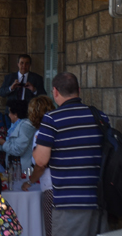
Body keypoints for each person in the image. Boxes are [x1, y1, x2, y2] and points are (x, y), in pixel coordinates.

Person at [34, 72, 110, 236]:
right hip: (99, 199)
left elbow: (41, 160)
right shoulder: (99, 116)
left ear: (55, 91)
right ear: (79, 90)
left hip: (69, 203)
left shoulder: (52, 119)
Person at [21, 95, 55, 236]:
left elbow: (41, 164)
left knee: (51, 230)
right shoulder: (57, 129)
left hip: (51, 188)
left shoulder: (40, 134)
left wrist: (30, 181)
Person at [0, 99, 35, 172]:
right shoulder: (16, 125)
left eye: (10, 112)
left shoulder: (25, 126)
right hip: (15, 168)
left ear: (16, 114)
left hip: (24, 169)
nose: (9, 115)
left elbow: (18, 150)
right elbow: (11, 144)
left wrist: (3, 143)